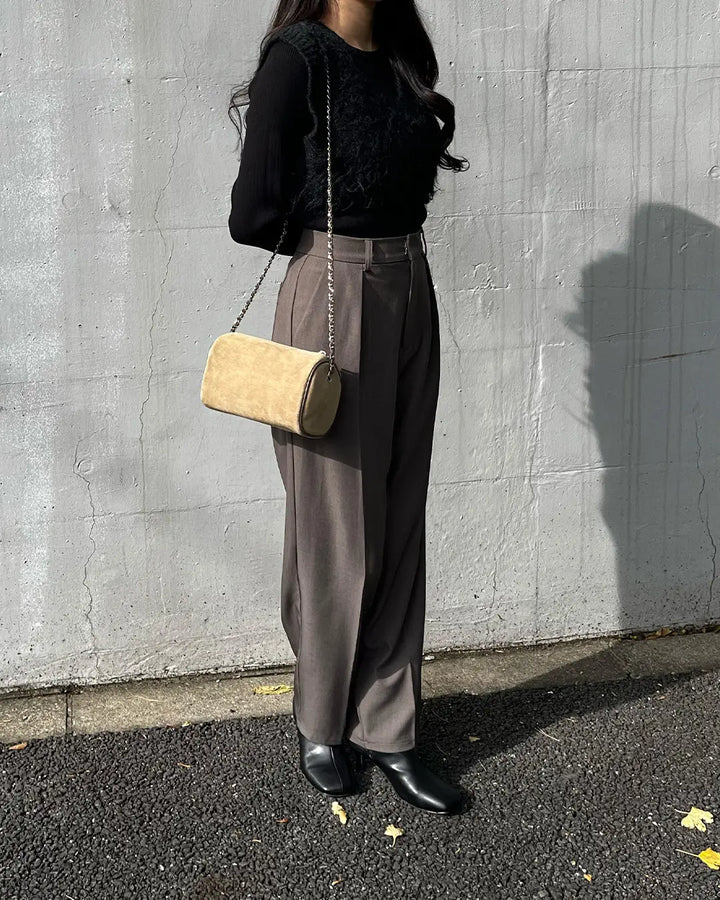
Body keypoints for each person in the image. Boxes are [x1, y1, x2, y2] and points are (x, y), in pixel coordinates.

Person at [227, 0, 469, 816]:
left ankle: (390, 726)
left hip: (411, 286)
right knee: (336, 523)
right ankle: (323, 720)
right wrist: (331, 244)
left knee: (399, 513)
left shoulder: (401, 59)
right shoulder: (298, 58)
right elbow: (251, 213)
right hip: (334, 291)